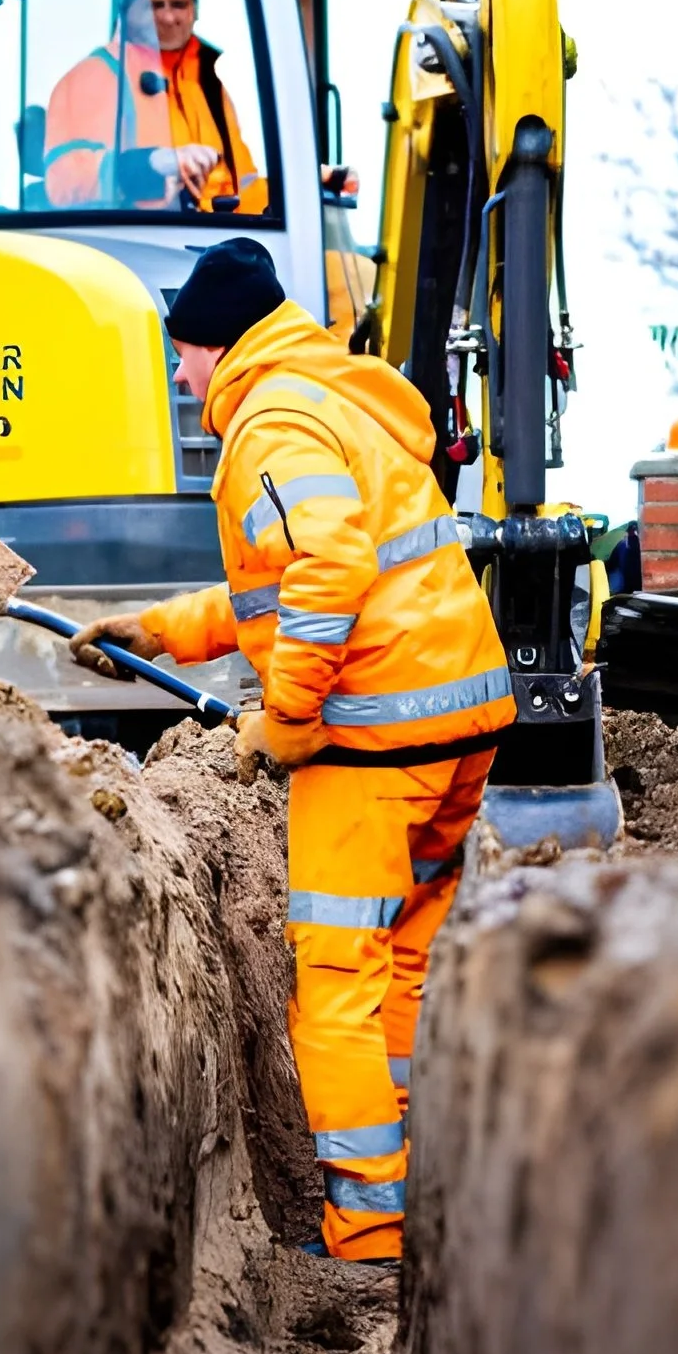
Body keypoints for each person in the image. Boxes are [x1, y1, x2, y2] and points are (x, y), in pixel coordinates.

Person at [69, 240, 515, 1263]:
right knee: (402, 964)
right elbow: (285, 582)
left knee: (337, 987)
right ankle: (417, 1198)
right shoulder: (331, 395)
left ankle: (367, 1237)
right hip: (458, 721)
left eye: (184, 356)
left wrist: (289, 717)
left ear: (214, 345)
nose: (183, 378)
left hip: (376, 742)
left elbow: (331, 561)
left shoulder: (270, 417)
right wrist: (161, 630)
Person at [44, 0, 263, 214]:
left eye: (179, 4)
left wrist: (306, 187)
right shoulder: (95, 76)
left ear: (195, 11)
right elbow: (64, 180)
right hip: (138, 244)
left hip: (214, 243)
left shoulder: (209, 85)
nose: (169, 17)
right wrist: (151, 165)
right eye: (155, 5)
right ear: (126, 11)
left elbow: (244, 187)